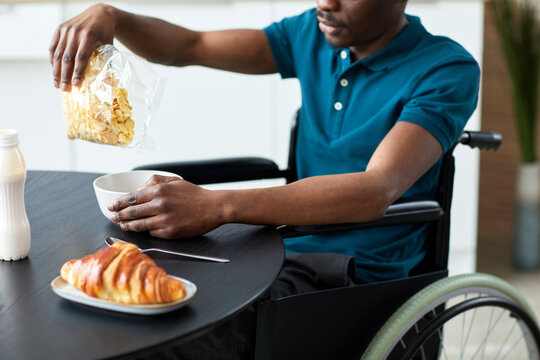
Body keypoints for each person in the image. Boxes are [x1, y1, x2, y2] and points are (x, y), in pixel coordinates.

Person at [50, 0, 480, 358]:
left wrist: (217, 206)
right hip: (279, 245)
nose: (325, 4)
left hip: (354, 271)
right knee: (115, 303)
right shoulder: (311, 33)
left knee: (166, 338)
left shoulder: (446, 69)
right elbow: (190, 45)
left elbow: (376, 189)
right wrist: (115, 17)